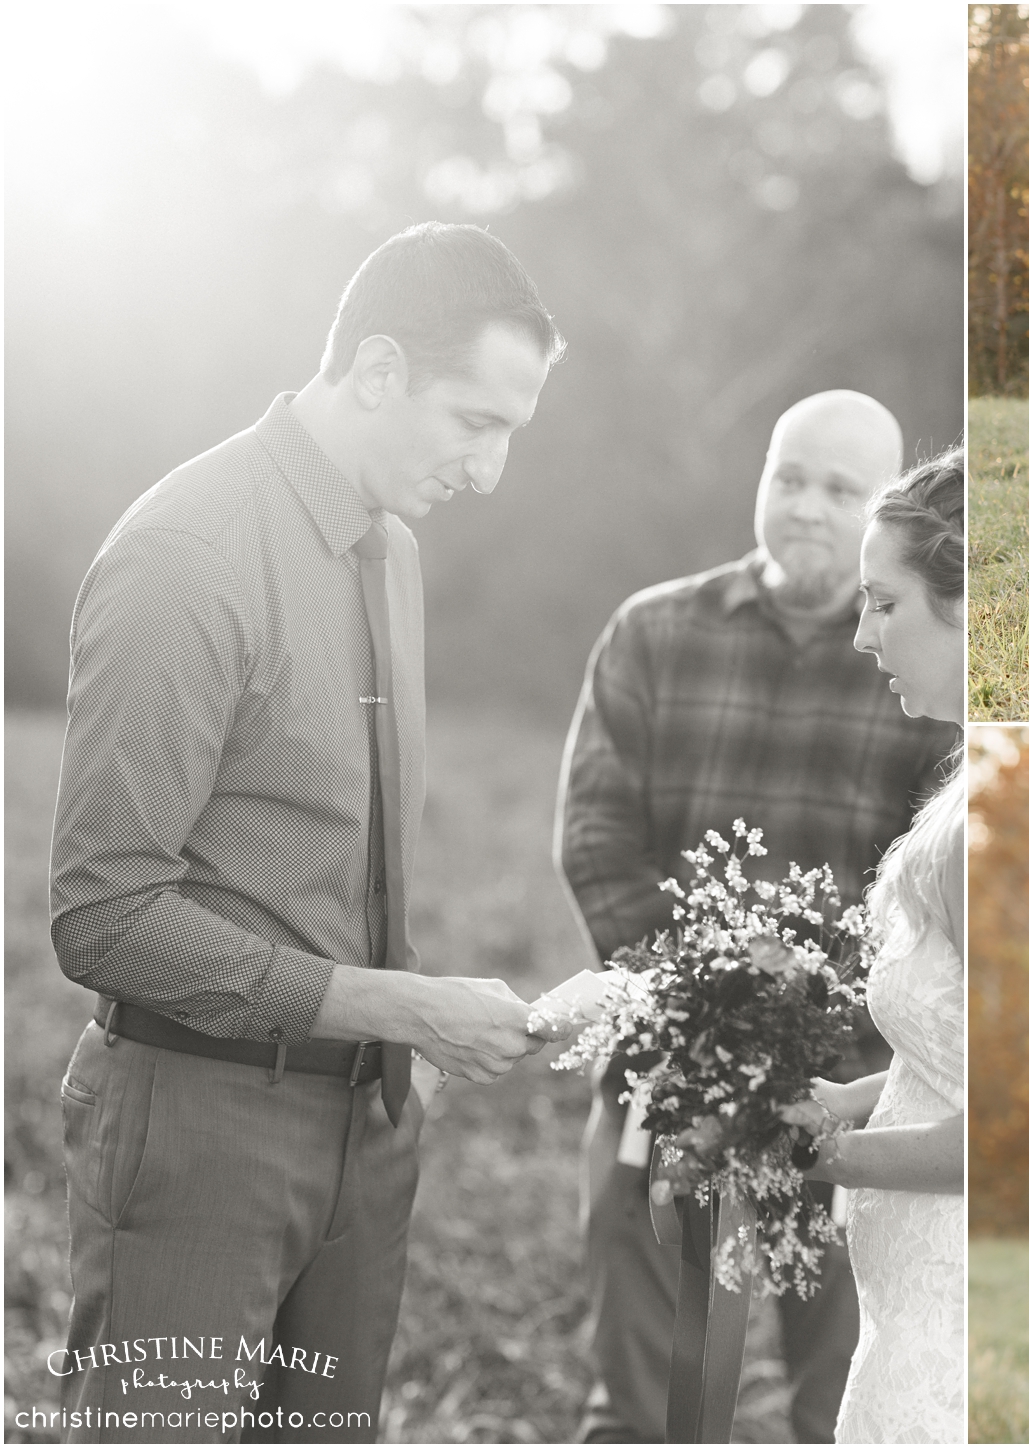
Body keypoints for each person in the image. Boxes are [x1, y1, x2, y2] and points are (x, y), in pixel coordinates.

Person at [48, 222, 563, 1442]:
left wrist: (399, 1045)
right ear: (376, 371)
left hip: (369, 1133)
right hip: (198, 1127)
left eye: (510, 434)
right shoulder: (189, 557)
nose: (488, 471)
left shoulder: (393, 551)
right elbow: (103, 914)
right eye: (472, 422)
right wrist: (395, 1005)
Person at [554, 393, 956, 1443]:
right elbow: (595, 833)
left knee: (844, 1379)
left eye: (841, 487)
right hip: (661, 1065)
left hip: (848, 1083)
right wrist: (702, 1007)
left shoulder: (921, 664)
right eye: (789, 476)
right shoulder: (651, 630)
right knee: (648, 1394)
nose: (808, 506)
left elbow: (932, 897)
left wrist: (802, 1033)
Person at [743, 449, 970, 1442]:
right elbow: (950, 1056)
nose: (860, 630)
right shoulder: (963, 786)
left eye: (884, 603)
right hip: (906, 1300)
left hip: (948, 1309)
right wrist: (836, 1097)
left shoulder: (978, 833)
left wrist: (803, 1149)